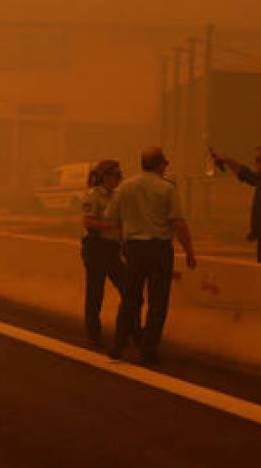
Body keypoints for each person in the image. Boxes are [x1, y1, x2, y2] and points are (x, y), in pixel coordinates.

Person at [106, 146, 196, 364]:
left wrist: (124, 241)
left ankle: (118, 343)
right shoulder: (167, 189)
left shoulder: (124, 188)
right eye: (165, 163)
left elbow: (112, 219)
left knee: (130, 298)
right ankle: (148, 349)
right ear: (159, 164)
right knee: (158, 301)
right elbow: (177, 223)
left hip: (133, 249)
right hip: (159, 250)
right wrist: (189, 250)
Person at [80, 159, 125, 347]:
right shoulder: (93, 196)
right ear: (105, 177)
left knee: (127, 287)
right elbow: (88, 222)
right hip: (96, 247)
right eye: (116, 175)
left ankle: (128, 329)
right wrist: (111, 225)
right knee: (95, 291)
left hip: (112, 248)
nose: (119, 179)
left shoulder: (118, 196)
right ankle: (93, 332)